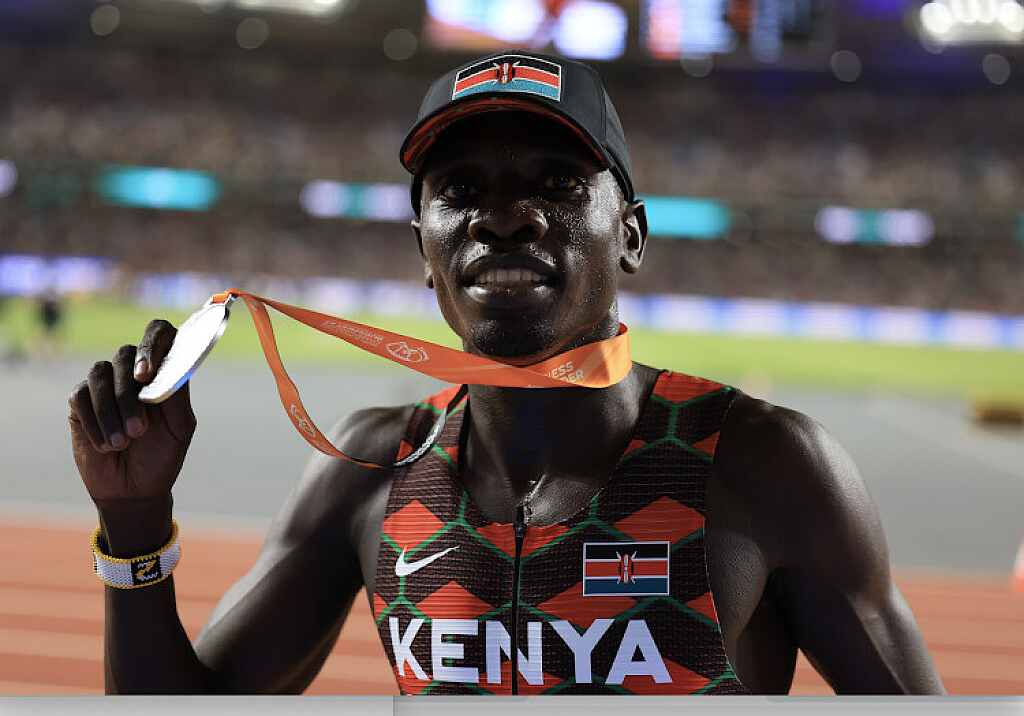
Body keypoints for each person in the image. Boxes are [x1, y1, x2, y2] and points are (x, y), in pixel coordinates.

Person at [68, 50, 946, 695]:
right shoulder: (369, 470)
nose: (505, 217)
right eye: (460, 190)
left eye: (559, 184)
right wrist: (134, 520)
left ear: (631, 235)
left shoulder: (766, 465)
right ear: (424, 251)